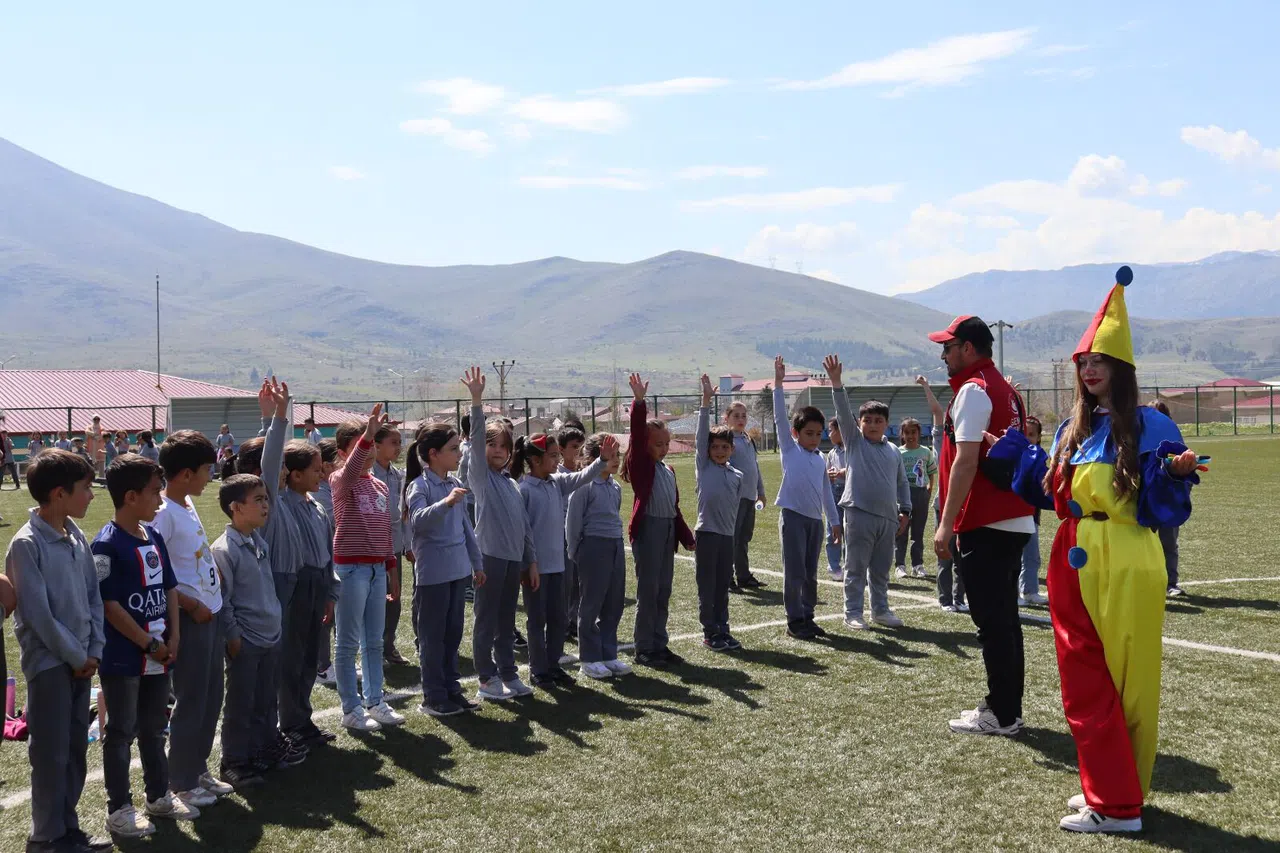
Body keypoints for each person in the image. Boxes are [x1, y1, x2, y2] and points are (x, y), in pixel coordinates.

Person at [996, 266, 1201, 833]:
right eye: (1083, 362)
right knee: (1087, 676)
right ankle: (1113, 788)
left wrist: (1175, 474)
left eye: (1098, 361)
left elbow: (1163, 508)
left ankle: (1117, 804)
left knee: (1129, 680)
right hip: (1076, 552)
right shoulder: (1072, 427)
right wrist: (1019, 453)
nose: (1088, 370)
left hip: (1128, 556)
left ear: (1120, 367)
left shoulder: (1151, 427)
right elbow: (1053, 494)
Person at [928, 315, 1035, 737]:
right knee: (1005, 621)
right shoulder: (1005, 389)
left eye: (949, 347)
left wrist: (946, 523)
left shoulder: (974, 390)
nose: (943, 355)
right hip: (1013, 517)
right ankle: (1005, 706)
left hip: (986, 520)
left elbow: (966, 461)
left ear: (968, 349)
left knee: (993, 623)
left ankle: (1002, 714)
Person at [6, 450, 111, 853]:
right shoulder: (26, 545)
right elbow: (38, 616)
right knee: (50, 754)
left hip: (83, 662)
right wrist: (75, 656)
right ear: (58, 493)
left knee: (73, 751)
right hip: (52, 665)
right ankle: (46, 837)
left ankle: (68, 829)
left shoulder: (76, 534)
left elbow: (93, 598)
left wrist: (94, 650)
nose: (91, 496)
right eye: (85, 489)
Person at [92, 454, 197, 837]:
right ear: (131, 496)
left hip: (160, 651)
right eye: (156, 493)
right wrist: (147, 642)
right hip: (125, 657)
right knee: (121, 731)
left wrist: (175, 635)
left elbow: (169, 586)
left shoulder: (151, 535)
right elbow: (109, 605)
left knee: (155, 727)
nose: (160, 500)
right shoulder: (106, 545)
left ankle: (158, 796)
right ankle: (119, 809)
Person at [228, 380, 308, 766]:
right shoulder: (266, 498)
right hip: (274, 585)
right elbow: (270, 456)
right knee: (269, 670)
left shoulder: (276, 497)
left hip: (288, 584)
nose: (282, 472)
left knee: (281, 664)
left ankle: (271, 735)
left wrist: (269, 418)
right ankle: (259, 743)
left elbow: (269, 456)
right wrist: (276, 416)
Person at [152, 429, 234, 809]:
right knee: (191, 699)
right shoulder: (163, 514)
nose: (210, 476)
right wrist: (188, 604)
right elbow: (158, 575)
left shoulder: (185, 503)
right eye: (206, 469)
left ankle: (197, 767)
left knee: (210, 696)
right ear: (185, 473)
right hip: (192, 619)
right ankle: (181, 781)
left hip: (210, 614)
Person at [513, 432, 612, 686]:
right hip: (536, 569)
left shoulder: (556, 483)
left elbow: (582, 477)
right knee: (537, 620)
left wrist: (601, 461)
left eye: (558, 454)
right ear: (535, 460)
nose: (558, 460)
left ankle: (553, 664)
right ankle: (538, 670)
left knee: (558, 618)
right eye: (553, 455)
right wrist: (529, 564)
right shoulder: (523, 489)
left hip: (559, 565)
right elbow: (523, 533)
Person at [462, 368, 536, 701]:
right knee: (486, 620)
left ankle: (508, 672)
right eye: (490, 444)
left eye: (502, 446)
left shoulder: (511, 484)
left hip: (511, 561)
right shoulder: (482, 479)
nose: (495, 450)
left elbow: (525, 528)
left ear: (510, 452)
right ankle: (486, 678)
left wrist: (529, 561)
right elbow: (475, 446)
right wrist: (477, 401)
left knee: (506, 621)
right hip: (489, 557)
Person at [330, 404, 405, 731]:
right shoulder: (339, 480)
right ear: (344, 451)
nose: (371, 450)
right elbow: (351, 469)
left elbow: (385, 530)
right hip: (351, 571)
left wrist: (391, 569)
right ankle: (352, 709)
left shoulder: (380, 485)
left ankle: (376, 701)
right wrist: (368, 435)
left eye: (374, 444)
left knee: (373, 642)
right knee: (347, 643)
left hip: (376, 571)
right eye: (364, 444)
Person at [404, 423, 486, 715]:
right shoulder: (420, 486)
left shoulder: (453, 485)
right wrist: (446, 503)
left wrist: (476, 563)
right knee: (432, 638)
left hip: (457, 572)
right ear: (433, 454)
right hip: (432, 577)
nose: (459, 455)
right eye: (453, 450)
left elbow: (466, 529)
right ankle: (433, 696)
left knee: (452, 636)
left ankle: (452, 689)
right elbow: (418, 521)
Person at [825, 357, 910, 631]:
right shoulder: (854, 443)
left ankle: (881, 610)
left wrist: (905, 510)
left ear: (887, 424)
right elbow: (841, 410)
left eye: (878, 420)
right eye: (867, 420)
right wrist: (836, 382)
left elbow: (902, 483)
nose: (872, 424)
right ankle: (852, 613)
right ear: (858, 424)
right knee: (855, 568)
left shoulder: (894, 451)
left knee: (881, 570)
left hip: (887, 519)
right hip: (858, 514)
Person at [212, 474, 280, 789]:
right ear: (236, 508)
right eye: (258, 500)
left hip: (270, 634)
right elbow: (223, 600)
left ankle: (261, 750)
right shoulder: (224, 549)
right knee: (241, 704)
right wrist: (233, 634)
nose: (266, 505)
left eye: (265, 498)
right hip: (247, 639)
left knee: (266, 700)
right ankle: (234, 762)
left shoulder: (258, 541)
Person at [623, 373, 697, 665]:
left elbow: (674, 509)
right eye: (658, 444)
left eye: (667, 443)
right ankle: (644, 649)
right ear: (645, 446)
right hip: (649, 531)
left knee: (663, 591)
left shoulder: (668, 471)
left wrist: (687, 537)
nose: (663, 448)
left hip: (666, 532)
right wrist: (639, 403)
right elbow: (637, 433)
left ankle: (659, 643)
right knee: (649, 590)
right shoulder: (642, 467)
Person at [772, 357, 843, 640]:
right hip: (793, 517)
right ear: (795, 434)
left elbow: (827, 492)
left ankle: (808, 615)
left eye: (818, 434)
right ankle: (794, 620)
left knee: (811, 572)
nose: (814, 438)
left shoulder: (821, 458)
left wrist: (834, 521)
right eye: (808, 434)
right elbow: (779, 417)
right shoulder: (790, 450)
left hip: (816, 522)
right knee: (795, 571)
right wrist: (778, 383)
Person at [278, 438, 337, 747]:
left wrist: (329, 593)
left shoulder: (316, 507)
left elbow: (327, 552)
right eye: (315, 470)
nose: (322, 475)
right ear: (295, 475)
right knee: (293, 657)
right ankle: (290, 721)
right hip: (297, 587)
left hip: (318, 586)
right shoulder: (282, 506)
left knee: (310, 656)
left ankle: (302, 718)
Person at [565, 433, 632, 678]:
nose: (616, 461)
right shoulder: (583, 486)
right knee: (591, 604)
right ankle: (590, 658)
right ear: (594, 458)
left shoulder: (614, 487)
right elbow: (573, 523)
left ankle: (608, 653)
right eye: (610, 456)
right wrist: (575, 552)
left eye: (618, 455)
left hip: (615, 546)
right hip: (592, 548)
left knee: (614, 603)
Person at [693, 374, 744, 652]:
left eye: (725, 447)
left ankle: (723, 628)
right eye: (715, 447)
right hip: (707, 535)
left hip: (727, 537)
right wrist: (705, 403)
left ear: (732, 449)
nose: (720, 451)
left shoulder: (737, 475)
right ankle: (709, 632)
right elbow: (702, 436)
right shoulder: (704, 467)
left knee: (723, 586)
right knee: (708, 587)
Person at [917, 377, 966, 613]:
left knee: (963, 558)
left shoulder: (971, 440)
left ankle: (960, 598)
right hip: (943, 505)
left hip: (966, 506)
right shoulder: (942, 437)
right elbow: (936, 411)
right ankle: (945, 599)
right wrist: (926, 386)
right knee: (945, 555)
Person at [371, 424, 411, 666]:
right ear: (376, 446)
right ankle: (372, 649)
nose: (398, 447)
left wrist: (406, 544)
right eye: (393, 443)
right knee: (373, 600)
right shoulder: (368, 475)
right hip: (372, 548)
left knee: (393, 599)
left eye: (399, 442)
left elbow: (401, 514)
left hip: (393, 547)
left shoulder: (396, 475)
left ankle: (388, 646)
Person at [725, 400, 767, 590]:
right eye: (736, 415)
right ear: (727, 418)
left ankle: (743, 575)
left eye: (743, 415)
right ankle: (727, 577)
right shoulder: (726, 440)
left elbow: (755, 467)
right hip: (735, 498)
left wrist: (761, 492)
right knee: (731, 538)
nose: (741, 419)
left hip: (750, 497)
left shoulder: (748, 439)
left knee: (744, 538)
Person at [1148, 401, 1184, 597]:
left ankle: (1171, 583)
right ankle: (1148, 581)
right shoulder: (1139, 439)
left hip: (1169, 500)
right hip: (1146, 500)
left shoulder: (1175, 440)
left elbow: (1185, 471)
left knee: (1168, 542)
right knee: (1144, 542)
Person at [311, 438, 340, 685]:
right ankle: (322, 665)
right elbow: (334, 521)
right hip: (321, 561)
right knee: (324, 617)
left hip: (332, 559)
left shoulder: (330, 489)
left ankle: (329, 662)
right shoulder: (319, 493)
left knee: (332, 614)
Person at [895, 418, 937, 580]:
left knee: (918, 533)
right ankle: (900, 565)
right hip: (902, 496)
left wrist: (929, 489)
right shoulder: (898, 452)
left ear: (919, 433)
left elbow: (932, 472)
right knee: (901, 531)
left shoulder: (926, 452)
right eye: (907, 432)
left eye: (914, 432)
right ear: (902, 434)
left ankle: (917, 565)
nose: (911, 435)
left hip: (920, 495)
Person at [557, 425, 586, 650]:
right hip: (562, 536)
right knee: (565, 581)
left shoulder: (583, 474)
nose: (579, 451)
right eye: (574, 447)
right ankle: (562, 621)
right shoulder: (558, 476)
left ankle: (574, 618)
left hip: (581, 534)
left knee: (579, 581)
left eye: (582, 447)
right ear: (561, 449)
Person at [1017, 417, 1049, 606]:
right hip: (1012, 514)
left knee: (1032, 555)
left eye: (1032, 435)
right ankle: (1014, 593)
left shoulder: (1040, 457)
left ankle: (1030, 590)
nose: (1028, 438)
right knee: (1012, 557)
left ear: (1038, 438)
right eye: (1024, 434)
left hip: (1031, 515)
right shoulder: (1013, 455)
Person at [824, 417, 847, 581]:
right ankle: (834, 566)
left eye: (831, 430)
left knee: (851, 532)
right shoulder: (832, 453)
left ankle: (850, 566)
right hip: (834, 492)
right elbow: (826, 474)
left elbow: (857, 467)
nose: (829, 434)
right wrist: (829, 476)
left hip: (850, 492)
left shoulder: (853, 449)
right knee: (833, 529)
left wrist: (841, 473)